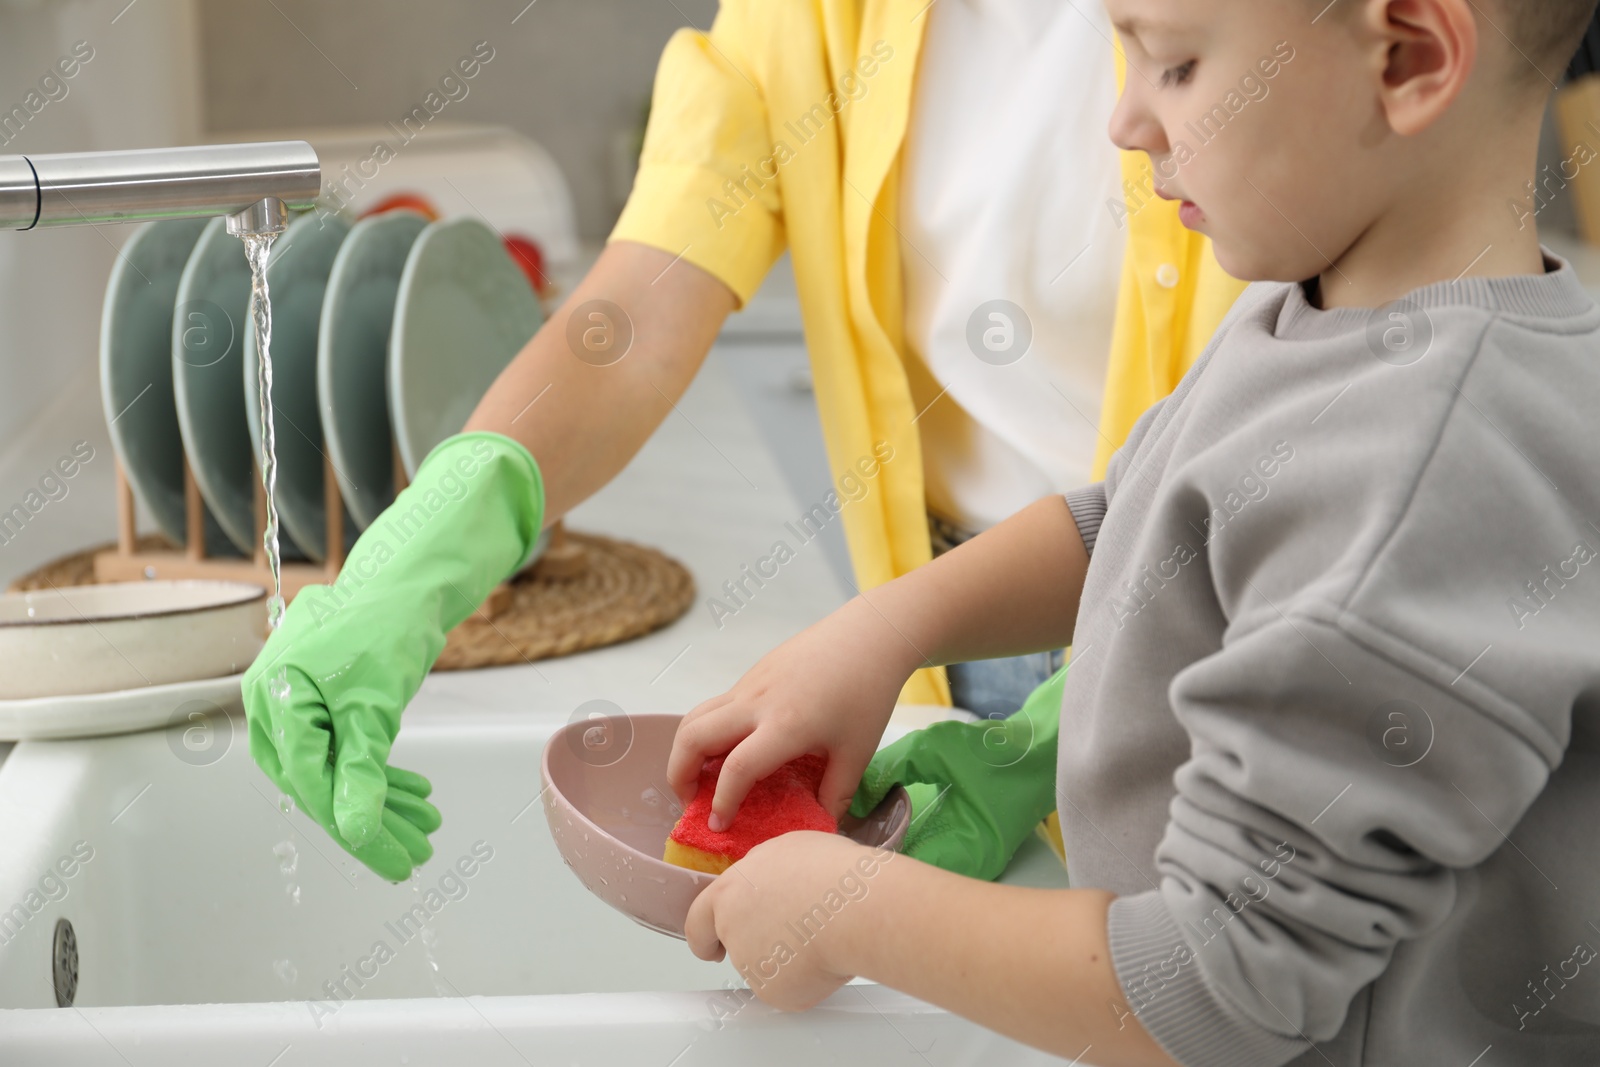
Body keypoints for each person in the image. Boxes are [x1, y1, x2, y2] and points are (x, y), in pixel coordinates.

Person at [667, 0, 1600, 1063]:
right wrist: (886, 629)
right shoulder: (1322, 309)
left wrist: (846, 909)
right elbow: (1139, 520)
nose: (1124, 120)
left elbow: (1218, 982)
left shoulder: (1414, 472)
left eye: (1176, 65)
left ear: (1407, 57)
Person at [241, 1, 1244, 880]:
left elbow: (1334, 449)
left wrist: (1062, 724)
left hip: (1225, 642)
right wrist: (417, 554)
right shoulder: (810, 13)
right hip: (942, 654)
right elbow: (634, 312)